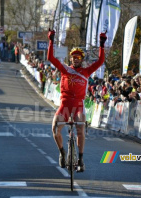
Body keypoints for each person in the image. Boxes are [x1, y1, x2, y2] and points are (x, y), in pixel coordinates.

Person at [47, 29, 106, 172]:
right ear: (70, 59)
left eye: (78, 57)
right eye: (73, 57)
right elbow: (50, 58)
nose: (76, 59)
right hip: (65, 105)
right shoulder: (65, 69)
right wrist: (51, 40)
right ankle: (62, 153)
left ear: (82, 60)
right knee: (55, 129)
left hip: (79, 105)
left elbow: (100, 61)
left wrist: (102, 45)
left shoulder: (87, 71)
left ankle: (80, 159)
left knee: (80, 129)